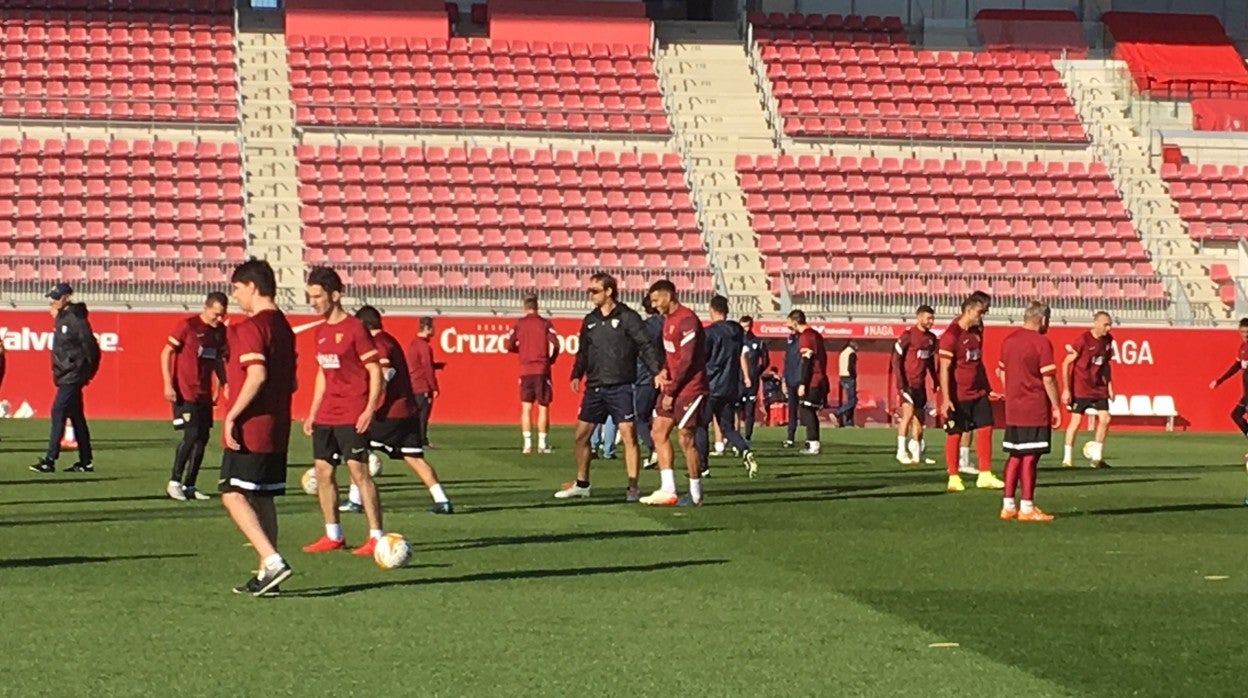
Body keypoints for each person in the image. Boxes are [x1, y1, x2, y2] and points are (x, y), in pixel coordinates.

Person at [218, 259, 295, 596]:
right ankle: (268, 574)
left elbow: (257, 375)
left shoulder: (251, 327)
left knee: (232, 493)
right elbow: (292, 382)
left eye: (236, 288)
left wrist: (233, 414)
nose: (235, 296)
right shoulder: (285, 328)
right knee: (264, 498)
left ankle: (272, 560)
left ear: (251, 286)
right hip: (278, 425)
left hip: (253, 426)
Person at [301, 267, 385, 557]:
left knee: (358, 472)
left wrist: (369, 409)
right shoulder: (320, 332)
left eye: (317, 296)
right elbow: (323, 373)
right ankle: (333, 534)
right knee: (323, 472)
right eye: (310, 296)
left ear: (335, 295)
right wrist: (312, 411)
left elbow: (376, 371)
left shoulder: (355, 329)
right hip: (327, 414)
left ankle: (376, 535)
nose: (313, 302)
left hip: (352, 412)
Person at [557, 272, 663, 501]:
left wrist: (657, 371)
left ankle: (633, 487)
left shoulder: (628, 317)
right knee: (581, 436)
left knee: (629, 436)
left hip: (621, 386)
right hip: (595, 387)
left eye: (594, 291)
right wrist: (577, 374)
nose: (590, 295)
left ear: (609, 291)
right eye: (589, 291)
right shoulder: (590, 320)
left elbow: (645, 345)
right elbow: (583, 351)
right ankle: (582, 483)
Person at [342, 306, 453, 515]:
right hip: (407, 410)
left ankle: (354, 500)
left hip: (390, 413)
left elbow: (384, 375)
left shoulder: (379, 344)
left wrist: (370, 407)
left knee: (356, 446)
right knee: (414, 457)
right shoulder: (389, 340)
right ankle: (442, 500)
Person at [640, 279, 710, 506]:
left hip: (691, 388)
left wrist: (671, 389)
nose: (654, 304)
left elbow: (687, 361)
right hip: (673, 386)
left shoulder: (687, 320)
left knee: (685, 439)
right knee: (658, 432)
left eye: (656, 299)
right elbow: (672, 357)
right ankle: (668, 488)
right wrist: (662, 372)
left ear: (668, 296)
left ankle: (696, 493)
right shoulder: (668, 321)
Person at [160, 291, 228, 501]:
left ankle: (190, 484)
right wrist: (168, 383)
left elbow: (218, 361)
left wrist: (222, 383)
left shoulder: (220, 332)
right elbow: (166, 353)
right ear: (206, 308)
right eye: (216, 314)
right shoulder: (187, 326)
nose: (219, 319)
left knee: (202, 439)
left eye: (222, 315)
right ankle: (174, 482)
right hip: (185, 391)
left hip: (204, 393)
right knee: (191, 436)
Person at [997, 301, 1062, 523]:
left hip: (1013, 408)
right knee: (1030, 457)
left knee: (1015, 455)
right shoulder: (1041, 343)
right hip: (1033, 408)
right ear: (1043, 319)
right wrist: (1055, 406)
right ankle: (1027, 506)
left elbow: (1002, 373)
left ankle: (1008, 505)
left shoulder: (1008, 341)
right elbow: (1048, 378)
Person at [938, 293, 1006, 493]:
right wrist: (946, 398)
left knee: (986, 428)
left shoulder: (977, 332)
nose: (982, 316)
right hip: (959, 395)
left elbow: (978, 363)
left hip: (978, 392)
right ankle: (953, 476)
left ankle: (985, 474)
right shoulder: (951, 336)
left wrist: (987, 387)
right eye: (980, 312)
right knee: (955, 433)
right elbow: (944, 369)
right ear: (968, 310)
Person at [30, 282, 100, 474]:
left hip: (72, 375)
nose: (53, 301)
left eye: (57, 297)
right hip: (66, 374)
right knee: (76, 417)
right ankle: (86, 461)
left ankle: (50, 460)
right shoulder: (63, 318)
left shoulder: (76, 320)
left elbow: (91, 348)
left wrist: (87, 372)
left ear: (67, 297)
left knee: (58, 412)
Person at [696, 295, 758, 478]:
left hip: (711, 385)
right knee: (728, 427)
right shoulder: (736, 331)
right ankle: (745, 450)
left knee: (701, 425)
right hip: (730, 385)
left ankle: (703, 466)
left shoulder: (709, 333)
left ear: (712, 309)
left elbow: (703, 359)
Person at [1061, 311, 1115, 468]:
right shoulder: (1083, 340)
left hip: (1098, 388)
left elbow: (1106, 365)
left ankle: (1097, 458)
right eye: (1106, 324)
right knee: (1075, 422)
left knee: (1105, 419)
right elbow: (1066, 363)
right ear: (1097, 323)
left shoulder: (1108, 341)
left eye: (1110, 324)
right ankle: (1067, 459)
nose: (1109, 328)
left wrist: (1110, 386)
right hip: (1081, 388)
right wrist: (1066, 389)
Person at [507, 294, 560, 454]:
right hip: (541, 368)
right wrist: (551, 359)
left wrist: (520, 351)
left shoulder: (519, 324)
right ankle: (542, 444)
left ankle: (527, 444)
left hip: (525, 369)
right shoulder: (544, 323)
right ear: (537, 307)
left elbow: (508, 345)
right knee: (543, 407)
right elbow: (556, 344)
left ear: (525, 307)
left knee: (526, 407)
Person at [893, 305, 938, 465]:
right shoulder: (908, 335)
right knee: (908, 414)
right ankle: (901, 451)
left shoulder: (932, 339)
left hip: (920, 384)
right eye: (928, 318)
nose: (931, 321)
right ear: (919, 317)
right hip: (908, 384)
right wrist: (900, 383)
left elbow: (931, 362)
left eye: (932, 318)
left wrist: (936, 380)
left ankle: (917, 453)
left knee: (920, 418)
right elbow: (896, 360)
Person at [786, 310, 828, 455]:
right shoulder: (816, 334)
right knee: (810, 411)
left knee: (806, 410)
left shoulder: (805, 337)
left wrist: (803, 382)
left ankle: (813, 444)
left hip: (813, 380)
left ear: (795, 322)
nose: (787, 324)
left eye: (789, 321)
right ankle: (813, 443)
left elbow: (806, 361)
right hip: (820, 377)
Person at [1209, 317, 1248, 467]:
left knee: (1237, 414)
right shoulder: (1243, 347)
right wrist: (1220, 380)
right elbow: (1237, 366)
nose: (1245, 334)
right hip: (1246, 393)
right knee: (1236, 415)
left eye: (1247, 331)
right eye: (1243, 331)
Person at [635, 295, 665, 468]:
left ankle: (655, 449)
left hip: (646, 377)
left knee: (640, 417)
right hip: (665, 375)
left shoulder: (645, 329)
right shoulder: (667, 324)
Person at [406, 317, 440, 461]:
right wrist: (434, 387)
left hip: (414, 384)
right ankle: (421, 441)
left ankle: (419, 440)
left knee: (417, 415)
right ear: (427, 328)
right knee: (422, 415)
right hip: (422, 385)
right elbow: (426, 367)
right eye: (433, 328)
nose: (434, 331)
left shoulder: (414, 344)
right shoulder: (424, 346)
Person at [738, 315, 768, 443]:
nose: (745, 329)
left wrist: (756, 372)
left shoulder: (758, 342)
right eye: (743, 326)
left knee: (750, 410)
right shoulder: (736, 342)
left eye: (747, 326)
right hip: (737, 380)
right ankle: (734, 436)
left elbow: (766, 361)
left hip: (752, 381)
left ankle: (748, 437)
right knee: (736, 410)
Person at [782, 325, 802, 447]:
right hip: (790, 379)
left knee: (806, 410)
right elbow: (786, 361)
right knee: (792, 410)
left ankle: (812, 440)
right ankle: (790, 437)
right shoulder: (790, 340)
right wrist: (784, 380)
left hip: (801, 379)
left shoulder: (803, 339)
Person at [834, 341, 859, 427]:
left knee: (850, 400)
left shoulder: (843, 352)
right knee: (853, 401)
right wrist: (854, 376)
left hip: (842, 376)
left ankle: (849, 421)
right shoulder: (851, 353)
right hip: (849, 377)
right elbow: (851, 367)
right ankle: (837, 413)